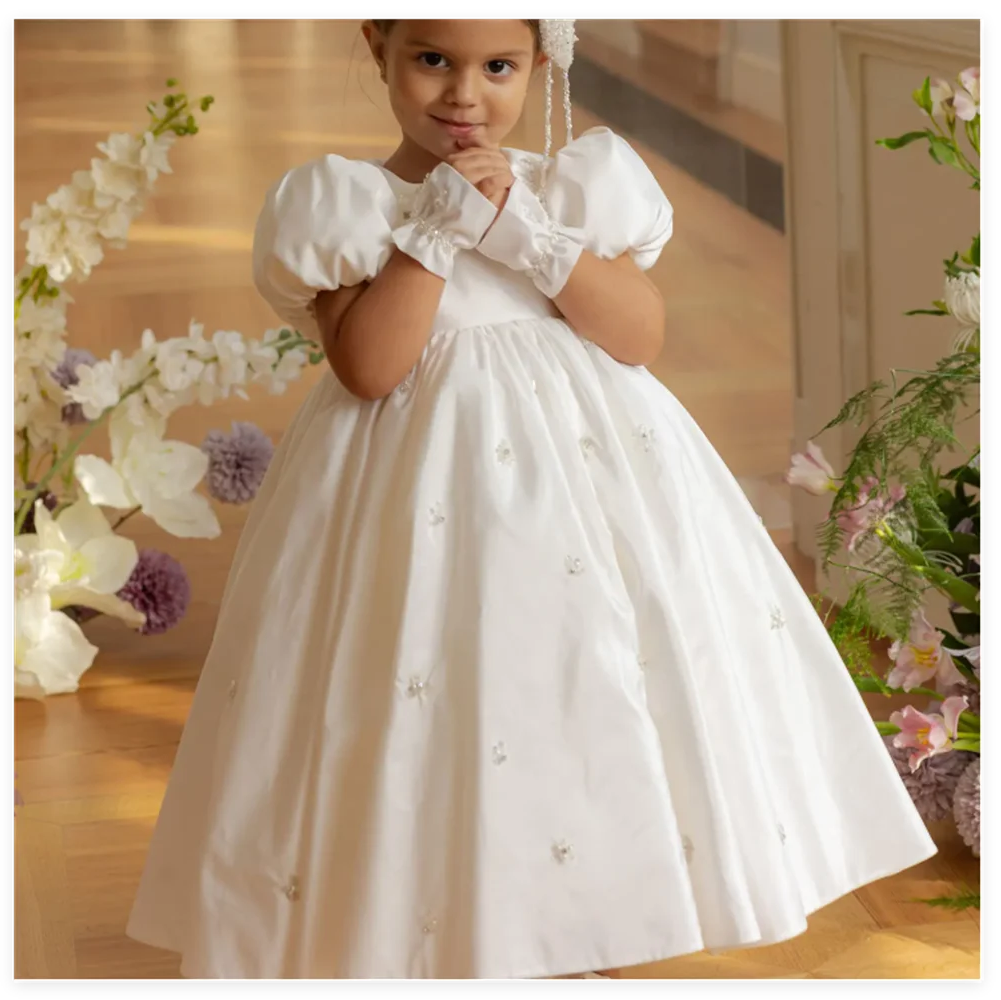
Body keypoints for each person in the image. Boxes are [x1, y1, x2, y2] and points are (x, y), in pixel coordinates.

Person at [126, 16, 937, 980]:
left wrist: (530, 238)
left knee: (581, 690)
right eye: (433, 60)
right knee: (432, 697)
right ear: (378, 44)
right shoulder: (348, 208)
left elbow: (637, 337)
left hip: (585, 513)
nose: (464, 95)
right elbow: (372, 367)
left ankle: (573, 923)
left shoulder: (573, 194)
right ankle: (424, 921)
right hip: (414, 515)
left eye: (498, 67)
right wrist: (433, 233)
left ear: (540, 64)